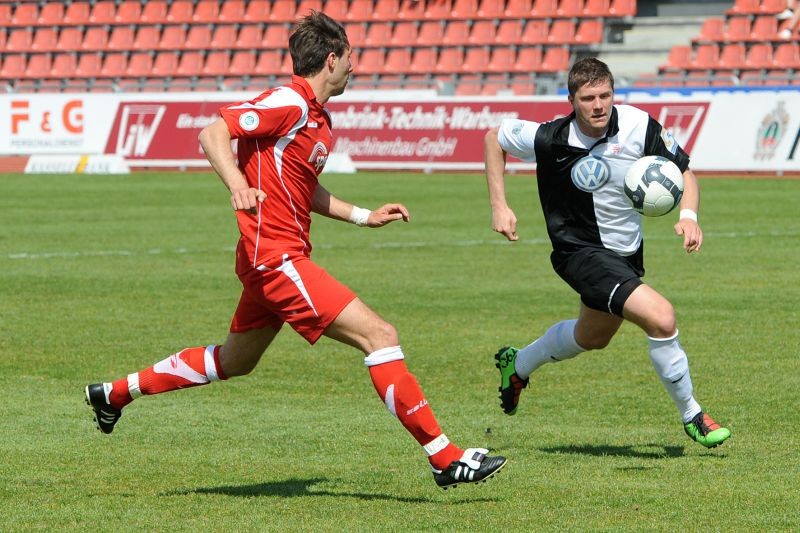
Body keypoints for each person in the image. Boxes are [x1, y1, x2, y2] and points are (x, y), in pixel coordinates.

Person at [85, 11, 506, 490]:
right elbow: (212, 133)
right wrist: (239, 185)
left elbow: (304, 189)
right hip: (277, 258)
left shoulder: (317, 120)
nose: (354, 68)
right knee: (380, 335)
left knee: (234, 361)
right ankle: (445, 458)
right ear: (331, 59)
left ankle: (115, 393)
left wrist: (363, 215)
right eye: (350, 59)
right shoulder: (289, 101)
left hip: (265, 259)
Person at [483, 57, 731, 449]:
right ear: (572, 100)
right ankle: (693, 415)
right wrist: (500, 205)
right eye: (588, 98)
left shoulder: (637, 125)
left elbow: (684, 171)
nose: (598, 105)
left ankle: (519, 364)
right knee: (662, 318)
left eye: (605, 95)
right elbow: (494, 137)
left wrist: (689, 215)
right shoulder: (551, 137)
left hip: (626, 253)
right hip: (578, 251)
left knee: (592, 336)